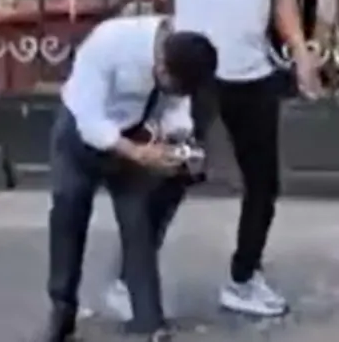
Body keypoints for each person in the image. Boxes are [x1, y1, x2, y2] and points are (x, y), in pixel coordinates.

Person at [127, 0, 322, 317]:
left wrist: (300, 51)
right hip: (196, 72)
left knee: (263, 183)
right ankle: (133, 275)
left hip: (252, 69)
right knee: (174, 173)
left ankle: (243, 278)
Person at [39, 18, 217, 342]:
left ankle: (148, 323)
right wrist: (137, 153)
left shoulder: (179, 51)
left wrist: (178, 144)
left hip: (132, 133)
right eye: (172, 85)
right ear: (161, 66)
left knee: (138, 224)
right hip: (79, 133)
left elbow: (175, 107)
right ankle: (61, 311)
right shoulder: (109, 43)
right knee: (68, 215)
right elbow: (90, 120)